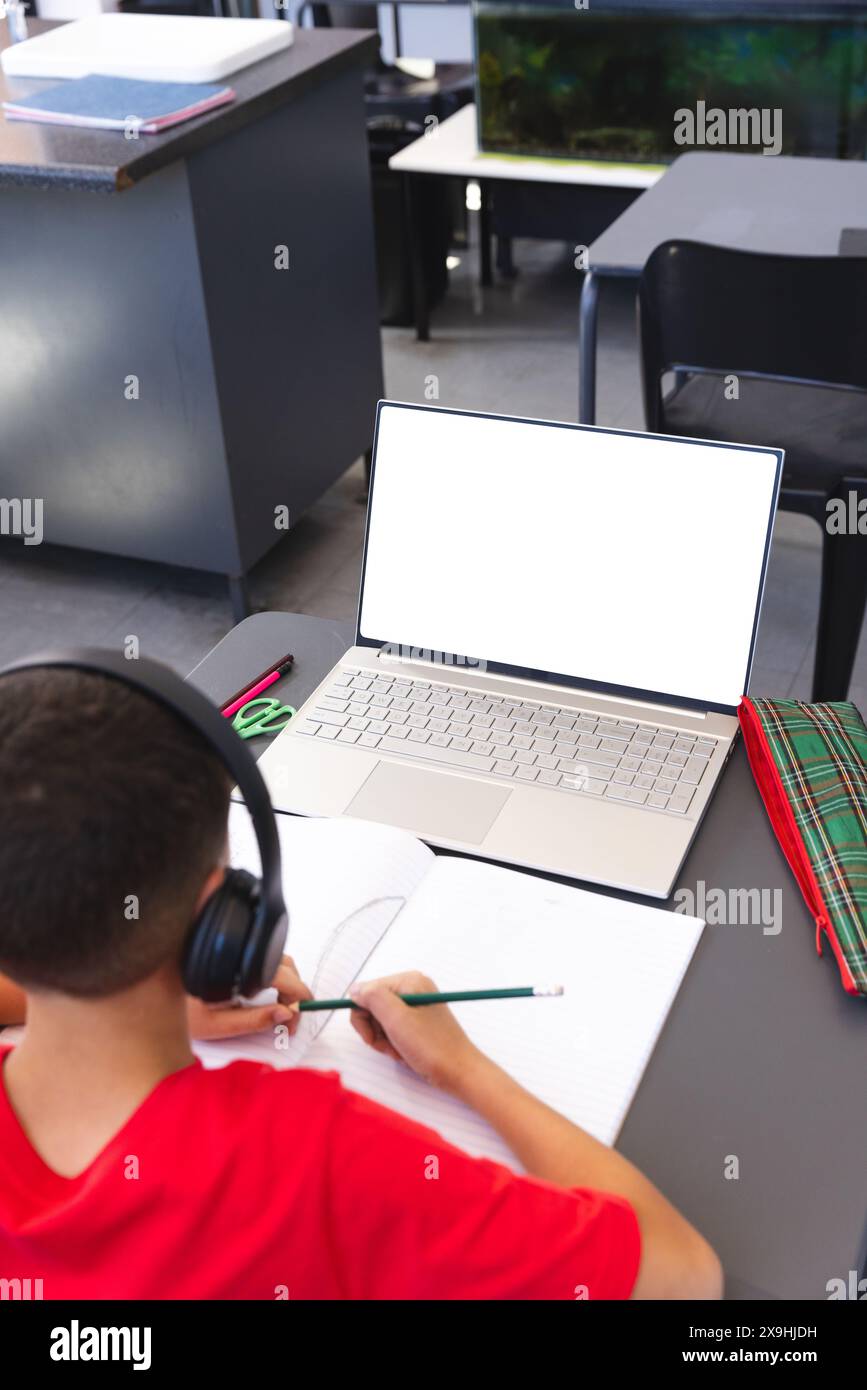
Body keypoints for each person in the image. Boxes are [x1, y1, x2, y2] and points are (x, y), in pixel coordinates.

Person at [0, 668, 721, 1300]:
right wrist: (464, 1070)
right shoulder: (311, 1161)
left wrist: (131, 988)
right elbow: (679, 1275)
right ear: (223, 924)